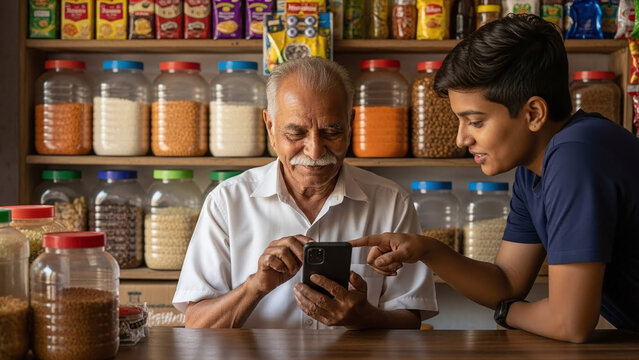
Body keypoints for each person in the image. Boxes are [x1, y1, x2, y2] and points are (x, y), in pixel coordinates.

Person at [351, 14, 639, 343]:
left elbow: (569, 323)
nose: (461, 139)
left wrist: (507, 313)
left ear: (533, 114)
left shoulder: (576, 155)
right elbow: (506, 283)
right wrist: (428, 250)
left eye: (475, 121)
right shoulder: (534, 171)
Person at [173, 58, 438, 329]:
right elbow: (197, 325)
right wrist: (254, 287)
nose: (314, 151)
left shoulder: (392, 202)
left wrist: (365, 318)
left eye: (331, 132)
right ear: (270, 127)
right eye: (296, 133)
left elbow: (409, 318)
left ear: (350, 124)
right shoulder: (227, 202)